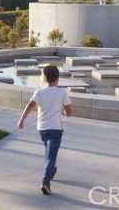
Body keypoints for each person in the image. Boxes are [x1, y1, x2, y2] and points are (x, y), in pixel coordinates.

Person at [17, 65, 73, 196]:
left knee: (49, 153)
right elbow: (69, 111)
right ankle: (45, 182)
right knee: (51, 156)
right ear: (58, 79)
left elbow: (30, 105)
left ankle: (52, 170)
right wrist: (66, 112)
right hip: (56, 130)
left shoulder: (39, 92)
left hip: (42, 130)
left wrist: (21, 120)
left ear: (44, 78)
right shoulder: (62, 92)